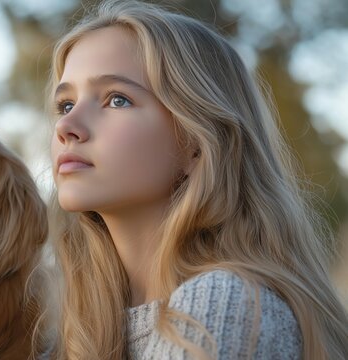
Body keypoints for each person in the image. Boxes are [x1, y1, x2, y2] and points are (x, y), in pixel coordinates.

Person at [45, 0, 348, 359]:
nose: (67, 127)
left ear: (196, 142)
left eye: (117, 100)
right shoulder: (78, 326)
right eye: (65, 105)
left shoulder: (225, 307)